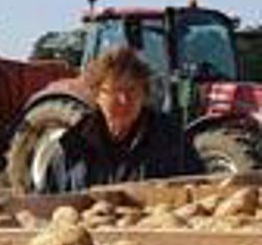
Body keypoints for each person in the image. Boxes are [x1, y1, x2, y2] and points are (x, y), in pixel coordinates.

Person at [39, 47, 203, 193]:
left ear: (144, 93)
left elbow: (199, 193)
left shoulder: (172, 141)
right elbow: (47, 206)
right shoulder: (72, 148)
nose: (124, 100)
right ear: (97, 95)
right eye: (115, 91)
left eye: (132, 89)